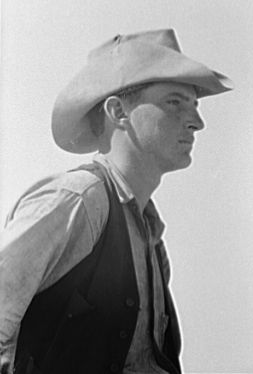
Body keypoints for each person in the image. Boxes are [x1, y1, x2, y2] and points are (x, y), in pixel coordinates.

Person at [0, 28, 233, 374]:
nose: (197, 122)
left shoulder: (150, 232)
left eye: (195, 105)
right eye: (175, 102)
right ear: (118, 112)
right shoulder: (78, 201)